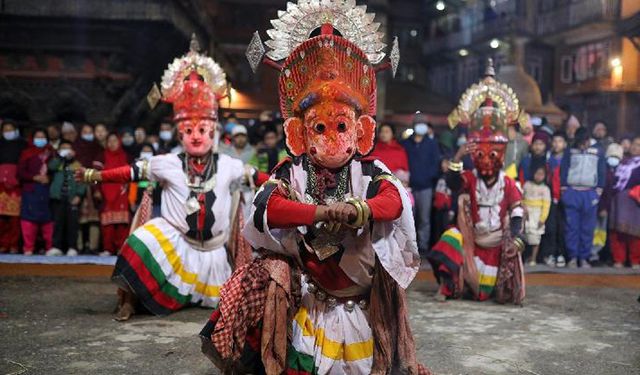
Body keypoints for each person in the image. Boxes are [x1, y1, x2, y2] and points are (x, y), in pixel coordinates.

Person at [200, 9, 429, 374]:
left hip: (361, 303)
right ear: (299, 134)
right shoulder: (292, 170)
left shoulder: (370, 171)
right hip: (312, 300)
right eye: (319, 128)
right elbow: (266, 209)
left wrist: (359, 210)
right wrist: (320, 213)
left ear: (361, 131)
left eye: (342, 126)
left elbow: (394, 203)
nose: (332, 140)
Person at [78, 36, 261, 321]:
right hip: (178, 243)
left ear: (213, 132)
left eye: (202, 129)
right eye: (188, 131)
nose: (196, 136)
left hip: (214, 254)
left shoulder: (229, 165)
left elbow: (259, 177)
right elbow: (130, 172)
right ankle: (130, 300)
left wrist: (285, 179)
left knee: (231, 302)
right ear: (179, 134)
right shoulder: (166, 163)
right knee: (141, 238)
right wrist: (95, 175)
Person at [429, 59, 525, 303]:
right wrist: (459, 156)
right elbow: (452, 184)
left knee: (484, 293)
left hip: (495, 244)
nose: (486, 162)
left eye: (492, 155)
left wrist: (514, 236)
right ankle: (446, 287)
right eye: (480, 155)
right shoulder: (471, 177)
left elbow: (517, 211)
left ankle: (497, 284)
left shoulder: (508, 183)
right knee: (451, 236)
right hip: (472, 240)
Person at [560, 126, 606, 268]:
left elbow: (602, 171)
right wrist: (564, 189)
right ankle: (573, 257)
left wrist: (598, 191)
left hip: (589, 192)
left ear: (588, 140)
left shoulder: (598, 151)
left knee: (587, 228)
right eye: (579, 143)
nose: (581, 145)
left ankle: (584, 258)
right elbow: (564, 168)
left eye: (583, 142)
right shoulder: (570, 150)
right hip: (573, 191)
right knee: (571, 227)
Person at [401, 112, 441, 254]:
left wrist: (429, 178)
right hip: (408, 188)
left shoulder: (431, 144)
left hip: (426, 187)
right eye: (419, 124)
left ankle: (423, 246)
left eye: (424, 124)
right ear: (414, 126)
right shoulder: (405, 144)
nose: (422, 127)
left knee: (424, 218)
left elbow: (436, 164)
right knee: (409, 218)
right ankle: (409, 246)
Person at [602, 137, 640, 268]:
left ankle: (635, 260)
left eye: (639, 145)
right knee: (617, 231)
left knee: (634, 232)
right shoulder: (622, 162)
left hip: (634, 201)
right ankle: (619, 259)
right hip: (618, 199)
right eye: (634, 144)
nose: (635, 147)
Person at [18, 129, 54, 255]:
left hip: (46, 190)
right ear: (32, 139)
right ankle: (28, 247)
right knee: (29, 218)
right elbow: (21, 172)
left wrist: (49, 178)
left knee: (47, 218)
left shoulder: (51, 154)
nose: (40, 139)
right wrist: (34, 177)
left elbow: (56, 172)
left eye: (43, 137)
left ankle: (50, 247)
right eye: (37, 137)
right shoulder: (26, 153)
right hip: (31, 189)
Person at [47, 140, 85, 256]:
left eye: (68, 149)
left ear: (73, 151)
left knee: (72, 224)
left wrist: (79, 195)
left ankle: (72, 247)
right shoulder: (56, 162)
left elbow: (82, 181)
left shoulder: (77, 164)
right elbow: (50, 167)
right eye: (63, 148)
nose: (66, 151)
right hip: (58, 198)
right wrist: (60, 157)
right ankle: (56, 246)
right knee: (58, 223)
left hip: (72, 198)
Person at [98, 133, 131, 256]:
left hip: (122, 192)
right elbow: (97, 175)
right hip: (106, 192)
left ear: (120, 142)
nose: (112, 143)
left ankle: (121, 248)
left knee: (122, 223)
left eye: (115, 140)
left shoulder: (126, 156)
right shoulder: (102, 156)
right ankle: (107, 249)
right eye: (109, 141)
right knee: (108, 224)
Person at [540, 131, 568, 267]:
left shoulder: (567, 160)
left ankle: (561, 254)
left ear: (565, 144)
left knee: (562, 228)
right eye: (555, 141)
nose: (557, 144)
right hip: (549, 198)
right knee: (550, 228)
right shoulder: (548, 159)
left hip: (564, 199)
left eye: (560, 141)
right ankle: (549, 253)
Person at [74, 123, 103, 253]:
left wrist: (97, 189)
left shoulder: (98, 148)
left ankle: (93, 247)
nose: (88, 134)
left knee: (94, 218)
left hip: (94, 185)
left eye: (90, 132)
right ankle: (79, 246)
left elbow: (100, 170)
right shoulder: (76, 148)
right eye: (85, 132)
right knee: (78, 217)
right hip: (77, 185)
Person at [0, 120, 27, 254]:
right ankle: (3, 244)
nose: (8, 132)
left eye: (10, 129)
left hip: (16, 185)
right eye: (5, 129)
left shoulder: (22, 145)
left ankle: (14, 244)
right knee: (1, 218)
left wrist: (15, 178)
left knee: (14, 218)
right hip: (0, 185)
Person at [523, 166, 551, 266]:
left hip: (537, 214)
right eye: (537, 174)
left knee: (535, 237)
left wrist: (543, 218)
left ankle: (533, 259)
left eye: (541, 174)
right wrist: (523, 208)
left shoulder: (545, 189)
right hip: (526, 214)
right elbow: (522, 198)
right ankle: (524, 258)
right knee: (524, 236)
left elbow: (546, 205)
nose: (539, 176)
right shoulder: (527, 185)